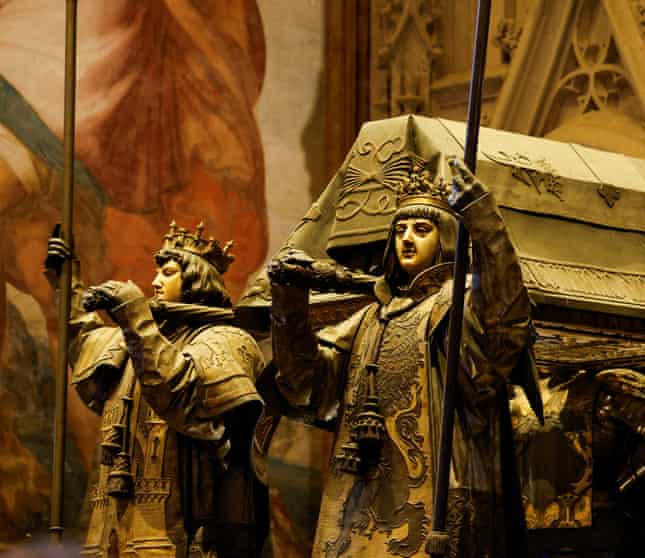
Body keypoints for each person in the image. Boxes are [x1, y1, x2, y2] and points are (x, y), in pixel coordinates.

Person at [267, 157, 532, 557]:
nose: (406, 239)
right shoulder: (370, 317)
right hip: (358, 505)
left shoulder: (456, 305)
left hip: (435, 501)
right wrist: (289, 300)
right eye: (399, 230)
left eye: (422, 230)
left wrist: (485, 225)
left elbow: (502, 323)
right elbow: (305, 382)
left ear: (446, 237)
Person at [45, 222, 267, 557]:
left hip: (184, 526)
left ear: (197, 280)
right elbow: (83, 336)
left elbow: (182, 393)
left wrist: (135, 314)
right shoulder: (132, 340)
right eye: (157, 273)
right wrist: (66, 282)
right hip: (116, 524)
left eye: (168, 272)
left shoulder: (227, 340)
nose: (155, 282)